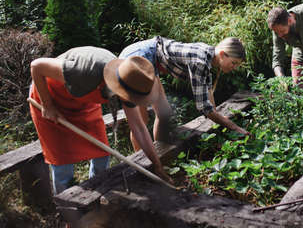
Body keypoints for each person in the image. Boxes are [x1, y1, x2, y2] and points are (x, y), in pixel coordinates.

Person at [29, 46, 172, 194]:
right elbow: (36, 66)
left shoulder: (130, 83)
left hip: (82, 103)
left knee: (101, 153)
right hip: (50, 97)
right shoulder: (84, 72)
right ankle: (67, 206)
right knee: (62, 163)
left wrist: (157, 165)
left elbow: (139, 128)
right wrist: (48, 105)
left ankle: (96, 192)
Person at [119, 36, 248, 150]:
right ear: (222, 54)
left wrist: (220, 121)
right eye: (234, 63)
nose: (234, 67)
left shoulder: (208, 56)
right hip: (137, 59)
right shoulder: (200, 62)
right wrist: (234, 127)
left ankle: (159, 154)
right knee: (141, 120)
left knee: (164, 114)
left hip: (149, 58)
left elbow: (209, 97)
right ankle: (142, 163)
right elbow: (204, 108)